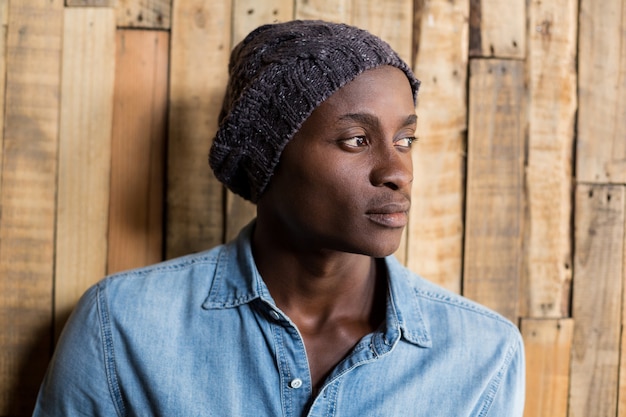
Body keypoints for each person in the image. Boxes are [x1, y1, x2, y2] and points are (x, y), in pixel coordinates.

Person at [33, 20, 525, 416]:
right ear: (268, 156)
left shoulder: (483, 354)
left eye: (405, 139)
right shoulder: (121, 325)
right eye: (356, 139)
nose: (397, 172)